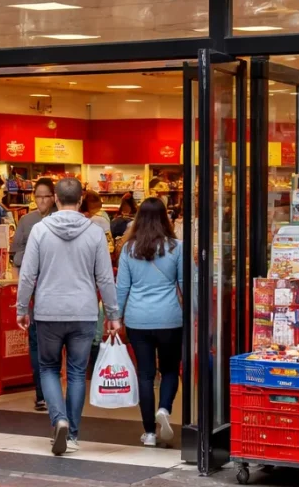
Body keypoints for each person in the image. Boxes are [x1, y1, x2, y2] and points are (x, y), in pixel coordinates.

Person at [16, 178, 119, 456]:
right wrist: (113, 314)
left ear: (56, 200)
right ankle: (72, 433)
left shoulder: (40, 230)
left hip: (48, 311)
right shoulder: (95, 232)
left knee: (48, 368)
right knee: (75, 372)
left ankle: (58, 419)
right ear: (82, 198)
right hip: (84, 312)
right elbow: (105, 278)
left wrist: (22, 308)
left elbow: (27, 275)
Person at [115, 197, 183, 447]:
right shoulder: (177, 247)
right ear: (165, 218)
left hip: (138, 319)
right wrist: (195, 314)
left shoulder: (129, 249)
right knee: (168, 370)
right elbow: (186, 285)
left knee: (144, 375)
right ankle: (164, 409)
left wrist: (115, 317)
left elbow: (121, 287)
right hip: (169, 319)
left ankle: (149, 433)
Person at [10, 177, 56, 412]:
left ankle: (54, 393)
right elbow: (15, 251)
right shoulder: (27, 221)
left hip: (56, 290)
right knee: (37, 341)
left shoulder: (61, 220)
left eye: (45, 196)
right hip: (34, 290)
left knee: (54, 343)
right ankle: (41, 394)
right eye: (37, 196)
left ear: (54, 197)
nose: (41, 200)